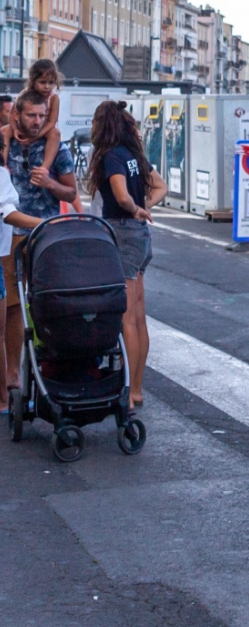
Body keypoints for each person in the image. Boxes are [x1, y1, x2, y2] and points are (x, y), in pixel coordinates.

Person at [87, 101, 168, 411]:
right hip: (139, 237)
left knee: (126, 319)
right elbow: (161, 186)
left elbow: (120, 196)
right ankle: (137, 389)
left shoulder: (111, 156)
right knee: (139, 316)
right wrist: (144, 206)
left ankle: (130, 393)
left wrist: (134, 208)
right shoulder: (133, 155)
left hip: (121, 234)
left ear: (103, 125)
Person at [1, 89, 77, 391]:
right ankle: (12, 372)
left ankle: (53, 364)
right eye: (31, 115)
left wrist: (50, 184)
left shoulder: (56, 147)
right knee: (11, 306)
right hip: (9, 236)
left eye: (42, 116)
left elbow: (71, 193)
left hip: (46, 236)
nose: (37, 121)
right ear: (17, 114)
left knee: (48, 300)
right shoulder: (5, 140)